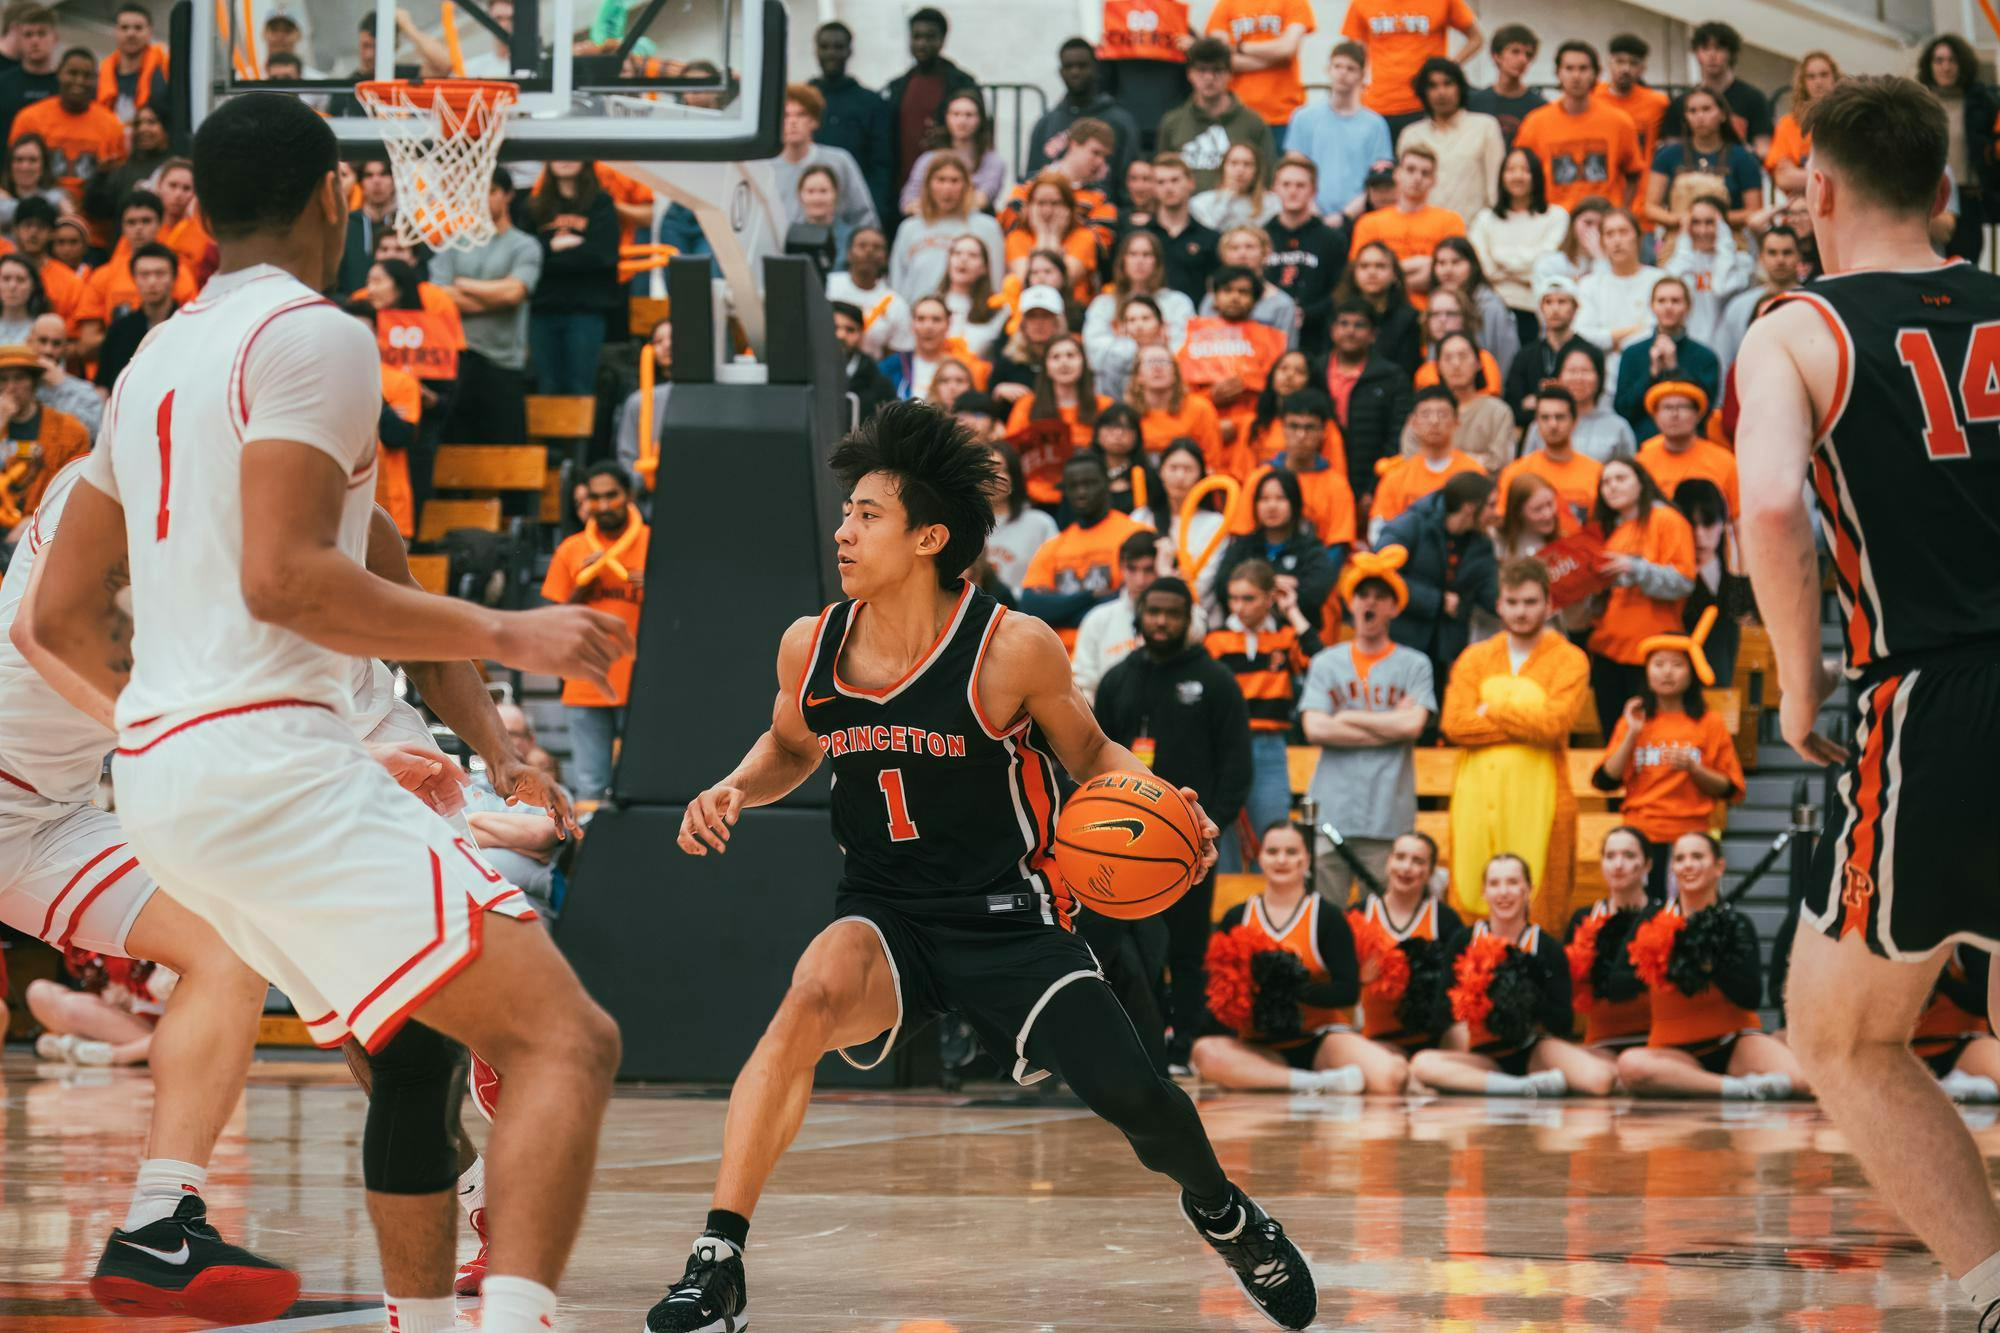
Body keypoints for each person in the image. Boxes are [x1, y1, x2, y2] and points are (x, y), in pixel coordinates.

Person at [30, 91, 633, 1333]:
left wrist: (162, 719)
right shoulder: (318, 335)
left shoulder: (153, 358)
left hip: (160, 780)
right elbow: (286, 578)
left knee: (413, 1055)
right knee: (566, 1040)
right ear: (335, 199)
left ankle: (395, 1303)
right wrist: (508, 630)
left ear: (197, 212)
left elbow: (57, 604)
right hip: (266, 763)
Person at [1729, 76, 2000, 1319]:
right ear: (1945, 194)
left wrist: (1798, 690)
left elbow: (1771, 501)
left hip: (1933, 693)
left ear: (1813, 190)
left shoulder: (1793, 329)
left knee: (1835, 1030)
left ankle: (1993, 1287)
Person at [1093, 575, 1256, 1078]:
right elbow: (1092, 758)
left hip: (1189, 847)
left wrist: (1212, 829)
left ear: (1189, 619)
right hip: (1123, 847)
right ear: (1139, 615)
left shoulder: (1216, 681)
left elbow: (1236, 766)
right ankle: (1133, 1046)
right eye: (1153, 611)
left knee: (1188, 950)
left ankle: (1183, 1045)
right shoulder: (1118, 678)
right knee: (1127, 950)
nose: (1161, 621)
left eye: (1172, 613)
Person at [1440, 558, 1588, 928]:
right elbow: (1455, 724)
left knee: (1542, 898)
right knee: (1473, 894)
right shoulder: (1475, 658)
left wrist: (1492, 709)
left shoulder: (1570, 659)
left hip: (1541, 796)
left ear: (1548, 605)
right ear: (1499, 604)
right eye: (1513, 602)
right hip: (1477, 795)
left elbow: (1553, 725)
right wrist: (1524, 717)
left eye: (1530, 602)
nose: (1521, 612)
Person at [1615, 833, 1807, 1098]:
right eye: (1680, 859)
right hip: (1673, 1051)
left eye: (1698, 857)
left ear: (1719, 867)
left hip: (1732, 1043)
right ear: (1672, 868)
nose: (1688, 865)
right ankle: (1733, 1089)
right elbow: (1617, 982)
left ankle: (1710, 1083)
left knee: (1802, 1082)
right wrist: (1657, 960)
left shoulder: (1736, 922)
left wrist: (1709, 964)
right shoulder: (1652, 919)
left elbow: (1751, 997)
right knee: (1631, 1066)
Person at [1191, 820, 1371, 1091]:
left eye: (1291, 852)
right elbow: (1215, 993)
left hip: (1319, 1039)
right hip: (1257, 1045)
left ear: (1306, 860)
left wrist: (1290, 990)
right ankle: (1311, 1083)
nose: (1282, 860)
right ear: (1260, 858)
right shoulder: (1237, 917)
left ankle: (1275, 1080)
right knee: (1205, 1052)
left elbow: (1348, 992)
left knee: (1389, 1075)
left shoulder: (1328, 916)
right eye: (1273, 852)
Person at [1408, 854, 1604, 1095]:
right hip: (1480, 1054)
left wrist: (1527, 1000)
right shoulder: (1465, 940)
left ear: (1528, 889)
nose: (1503, 892)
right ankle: (1517, 1087)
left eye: (1512, 882)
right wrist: (1478, 1001)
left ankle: (1509, 1082)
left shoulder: (1546, 947)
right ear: (1484, 892)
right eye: (1494, 884)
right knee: (1421, 1064)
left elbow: (1563, 1023)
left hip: (1531, 1050)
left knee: (1599, 1080)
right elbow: (1440, 1014)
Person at [1299, 553, 1434, 897]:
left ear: (1394, 607)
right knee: (1327, 915)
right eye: (1363, 595)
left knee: (1384, 919)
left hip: (1388, 815)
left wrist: (1347, 717)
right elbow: (1315, 729)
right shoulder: (1326, 662)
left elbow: (1413, 727)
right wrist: (1390, 724)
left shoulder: (1415, 664)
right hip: (1331, 809)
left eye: (1380, 596)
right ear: (1351, 603)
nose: (1370, 603)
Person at [1591, 606, 1742, 899]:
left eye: (1677, 664)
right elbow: (1606, 780)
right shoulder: (1633, 719)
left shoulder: (1709, 723)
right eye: (1658, 664)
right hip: (1640, 835)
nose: (1667, 672)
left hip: (1690, 836)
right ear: (1647, 671)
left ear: (1692, 672)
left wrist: (1695, 770)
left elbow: (1730, 788)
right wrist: (1633, 733)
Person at [542, 463, 648, 802]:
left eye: (612, 495)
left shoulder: (653, 542)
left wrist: (658, 588)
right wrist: (579, 590)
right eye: (596, 497)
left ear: (629, 495)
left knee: (640, 786)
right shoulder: (572, 549)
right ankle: (589, 848)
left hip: (640, 682)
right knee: (590, 786)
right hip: (585, 684)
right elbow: (551, 625)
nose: (604, 505)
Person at [1206, 558, 1322, 867]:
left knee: (1272, 834)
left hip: (1269, 744)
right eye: (1233, 598)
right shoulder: (1216, 640)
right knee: (1220, 835)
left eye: (1249, 598)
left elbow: (1322, 665)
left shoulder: (1285, 637)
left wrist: (1293, 611)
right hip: (1225, 747)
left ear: (1269, 598)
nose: (1239, 607)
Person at [427, 169, 541, 446]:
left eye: (490, 192)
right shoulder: (453, 242)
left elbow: (514, 293)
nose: (482, 200)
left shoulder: (525, 245)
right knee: (453, 456)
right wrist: (495, 295)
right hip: (457, 361)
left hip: (503, 362)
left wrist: (464, 284)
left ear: (508, 195)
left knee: (509, 458)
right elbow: (438, 297)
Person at [1582, 455, 1694, 736]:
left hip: (1654, 653)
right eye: (1605, 482)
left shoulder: (1666, 519)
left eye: (1621, 478)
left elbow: (1683, 581)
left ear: (1641, 483)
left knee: (1649, 738)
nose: (1612, 487)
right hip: (1607, 650)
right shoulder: (1603, 529)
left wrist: (1635, 567)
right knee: (1613, 738)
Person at [1020, 451, 1155, 649]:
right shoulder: (1053, 546)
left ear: (1106, 484)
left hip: (1116, 647)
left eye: (1089, 483)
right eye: (1073, 486)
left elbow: (1132, 599)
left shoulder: (1135, 533)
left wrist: (1060, 611)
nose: (1081, 492)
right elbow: (1031, 606)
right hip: (1060, 656)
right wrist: (1091, 596)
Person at [1378, 470, 1498, 683]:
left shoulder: (1481, 544)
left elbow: (1490, 591)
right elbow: (1381, 572)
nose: (1496, 512)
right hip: (1401, 641)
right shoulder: (1412, 525)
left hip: (1444, 652)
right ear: (1469, 507)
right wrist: (1436, 601)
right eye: (1491, 505)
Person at [1563, 825, 1659, 1073]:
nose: (1618, 864)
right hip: (1601, 1041)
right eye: (1610, 856)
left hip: (1658, 1042)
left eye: (1629, 856)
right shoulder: (1583, 918)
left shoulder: (1665, 916)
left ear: (1647, 865)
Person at [1513, 42, 1644, 215]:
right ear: (1558, 73)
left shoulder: (1619, 121)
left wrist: (1621, 211)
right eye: (1569, 68)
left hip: (1604, 219)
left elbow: (1633, 172)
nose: (1576, 76)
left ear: (1595, 74)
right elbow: (1521, 173)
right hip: (1553, 220)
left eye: (1583, 69)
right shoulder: (1535, 122)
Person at [527, 161, 620, 396]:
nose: (564, 159)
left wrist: (548, 253)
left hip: (585, 311)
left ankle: (581, 435)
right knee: (546, 387)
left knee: (581, 388)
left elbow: (604, 256)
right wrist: (555, 245)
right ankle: (549, 435)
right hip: (542, 311)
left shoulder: (601, 203)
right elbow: (526, 255)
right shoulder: (533, 206)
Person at [1338, 0, 1483, 145]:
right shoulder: (1361, 3)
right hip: (1378, 105)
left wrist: (1447, 69)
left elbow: (1476, 38)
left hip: (1426, 105)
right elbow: (1352, 54)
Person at [1210, 468, 1339, 624]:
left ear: (1294, 503)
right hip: (1243, 636)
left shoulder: (1310, 547)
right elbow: (1222, 587)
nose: (1271, 506)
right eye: (1264, 499)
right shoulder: (1244, 545)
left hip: (1295, 636)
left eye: (1280, 498)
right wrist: (1272, 583)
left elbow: (1314, 594)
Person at [10, 46, 126, 220]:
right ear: (59, 73)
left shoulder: (111, 125)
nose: (79, 81)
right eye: (72, 73)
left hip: (92, 228)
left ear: (96, 80)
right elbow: (12, 174)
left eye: (87, 76)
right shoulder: (30, 118)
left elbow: (115, 184)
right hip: (39, 222)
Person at [1472, 148, 1567, 354]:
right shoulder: (1485, 219)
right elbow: (1484, 270)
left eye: (1525, 170)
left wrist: (1500, 260)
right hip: (1492, 308)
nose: (1517, 176)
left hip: (1536, 309)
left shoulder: (1555, 217)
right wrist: (1526, 270)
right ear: (1501, 176)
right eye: (1510, 169)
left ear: (1536, 175)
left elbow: (1544, 265)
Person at [1178, 265, 1287, 446]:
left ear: (1255, 299)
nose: (1235, 297)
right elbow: (1179, 390)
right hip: (1203, 425)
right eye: (1227, 290)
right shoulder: (1191, 337)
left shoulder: (1270, 340)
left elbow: (1278, 389)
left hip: (1253, 429)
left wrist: (1246, 383)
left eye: (1243, 292)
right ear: (1215, 297)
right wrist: (1209, 397)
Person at [1284, 42, 1393, 221]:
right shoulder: (1303, 117)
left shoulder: (1375, 125)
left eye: (1351, 68)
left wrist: (1344, 216)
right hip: (1310, 215)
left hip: (1358, 217)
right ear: (1328, 69)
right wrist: (1313, 211)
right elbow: (1295, 170)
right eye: (1337, 66)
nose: (1343, 73)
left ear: (1362, 75)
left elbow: (1378, 180)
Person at [1915, 34, 1998, 265]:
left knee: (1967, 265)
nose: (1946, 67)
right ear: (1929, 65)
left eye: (1952, 60)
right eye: (1939, 60)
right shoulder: (1920, 104)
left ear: (1962, 64)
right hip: (1931, 197)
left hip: (1969, 196)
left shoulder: (1981, 103)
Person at [1323, 299, 1412, 509]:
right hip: (1325, 478)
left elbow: (1396, 436)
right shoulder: (1316, 371)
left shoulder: (1392, 376)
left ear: (1373, 334)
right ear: (1332, 330)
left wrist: (1375, 487)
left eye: (1359, 325)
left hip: (1371, 480)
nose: (1350, 331)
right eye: (1343, 324)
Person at [1348, 145, 1464, 306]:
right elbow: (1359, 275)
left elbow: (1451, 274)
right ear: (1397, 174)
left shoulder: (1451, 221)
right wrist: (1423, 263)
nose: (1417, 178)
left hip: (1433, 313)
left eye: (1425, 173)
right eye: (1410, 170)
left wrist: (1387, 275)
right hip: (1381, 312)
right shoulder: (1369, 223)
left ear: (1434, 180)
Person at [808, 21, 895, 233]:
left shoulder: (871, 103)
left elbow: (882, 165)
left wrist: (876, 213)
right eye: (825, 47)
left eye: (838, 47)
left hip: (853, 213)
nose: (831, 53)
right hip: (807, 210)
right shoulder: (804, 101)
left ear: (849, 51)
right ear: (816, 50)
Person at [1158, 37, 1276, 193]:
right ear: (1189, 74)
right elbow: (1160, 176)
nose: (1209, 78)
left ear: (1230, 74)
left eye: (1217, 70)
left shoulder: (1253, 123)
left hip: (1239, 213)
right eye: (1201, 70)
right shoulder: (1172, 123)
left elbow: (1267, 179)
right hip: (1185, 214)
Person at [1026, 39, 1140, 199]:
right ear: (1061, 72)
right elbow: (1032, 180)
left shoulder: (1120, 121)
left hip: (1105, 215)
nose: (1075, 72)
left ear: (1095, 68)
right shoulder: (1045, 124)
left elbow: (1130, 182)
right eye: (1069, 66)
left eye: (1082, 66)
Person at [1643, 88, 1764, 237]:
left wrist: (1710, 220)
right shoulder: (1667, 155)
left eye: (1707, 109)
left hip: (1730, 241)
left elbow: (1754, 210)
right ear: (1685, 117)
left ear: (1723, 114)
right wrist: (1678, 219)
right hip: (1679, 241)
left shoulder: (1743, 158)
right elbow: (1650, 207)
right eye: (1692, 111)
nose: (1700, 116)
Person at [1074, 529, 1178, 702]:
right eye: (1132, 569)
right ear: (1121, 568)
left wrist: (1167, 577)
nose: (1140, 580)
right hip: (1110, 721)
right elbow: (1083, 686)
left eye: (1149, 570)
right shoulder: (1097, 619)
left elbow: (1197, 631)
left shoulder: (1176, 618)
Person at [1398, 57, 1504, 225]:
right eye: (1433, 86)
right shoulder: (1411, 135)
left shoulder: (1485, 127)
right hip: (1423, 232)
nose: (1441, 92)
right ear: (1423, 92)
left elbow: (1495, 190)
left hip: (1472, 234)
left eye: (1448, 84)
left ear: (1459, 88)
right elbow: (1403, 192)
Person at [882, 7, 981, 188]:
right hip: (904, 186)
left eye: (929, 37)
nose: (922, 44)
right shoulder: (897, 87)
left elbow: (980, 132)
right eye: (916, 37)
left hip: (949, 184)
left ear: (942, 40)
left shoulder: (962, 83)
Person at [1611, 276, 1720, 438]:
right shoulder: (1632, 353)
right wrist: (1651, 375)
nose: (1668, 307)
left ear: (1688, 307)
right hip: (1644, 446)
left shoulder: (1705, 356)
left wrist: (1674, 368)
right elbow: (1623, 409)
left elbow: (1706, 407)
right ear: (1652, 306)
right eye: (1661, 301)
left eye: (1675, 301)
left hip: (1692, 445)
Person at [1260, 155, 1345, 355]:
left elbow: (1341, 290)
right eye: (1286, 184)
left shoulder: (1332, 239)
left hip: (1316, 336)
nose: (1293, 191)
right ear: (1274, 188)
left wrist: (1307, 314)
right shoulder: (1261, 236)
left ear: (1313, 191)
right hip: (1265, 332)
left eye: (1300, 185)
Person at [1202, 0, 1314, 149]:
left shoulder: (1294, 2)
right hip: (1236, 116)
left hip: (1283, 116)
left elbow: (1287, 48)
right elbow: (1220, 56)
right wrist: (1275, 59)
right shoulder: (1226, 4)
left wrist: (1239, 47)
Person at [1369, 385, 1482, 529]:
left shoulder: (1472, 473)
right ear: (1413, 422)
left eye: (1442, 414)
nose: (1434, 421)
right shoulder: (1396, 476)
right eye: (1426, 414)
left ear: (1456, 422)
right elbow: (1379, 528)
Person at [0, 338, 83, 529]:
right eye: (3, 380)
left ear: (34, 383)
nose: (11, 388)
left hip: (42, 529)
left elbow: (71, 493)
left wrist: (34, 522)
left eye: (19, 378)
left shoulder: (69, 430)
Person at [773, 85, 878, 234]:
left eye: (801, 114)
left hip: (832, 251)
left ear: (814, 121)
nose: (792, 122)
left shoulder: (840, 161)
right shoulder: (763, 167)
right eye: (785, 116)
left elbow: (864, 217)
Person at [1575, 208, 1663, 386]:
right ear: (1603, 242)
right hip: (1604, 379)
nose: (1617, 241)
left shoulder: (1659, 280)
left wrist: (1610, 340)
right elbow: (1583, 335)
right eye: (1609, 234)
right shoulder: (1590, 285)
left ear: (1638, 238)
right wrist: (1635, 329)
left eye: (1623, 232)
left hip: (1649, 372)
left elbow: (1656, 331)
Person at [1659, 22, 1773, 158]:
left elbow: (1763, 149)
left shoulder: (1754, 98)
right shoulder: (1681, 102)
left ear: (1731, 53)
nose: (1712, 55)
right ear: (1696, 53)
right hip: (1693, 174)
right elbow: (1672, 152)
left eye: (1719, 48)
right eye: (1705, 48)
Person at [1087, 229, 1196, 366]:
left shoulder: (1178, 302)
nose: (1139, 261)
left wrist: (1125, 343)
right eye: (1133, 254)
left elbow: (1184, 349)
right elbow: (1095, 351)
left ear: (1157, 261)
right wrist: (1147, 346)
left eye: (1147, 254)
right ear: (1123, 260)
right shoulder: (1103, 304)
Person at [1415, 331, 1516, 473]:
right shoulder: (1424, 410)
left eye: (1463, 356)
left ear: (1478, 363)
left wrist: (1444, 460)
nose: (1456, 364)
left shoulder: (1498, 411)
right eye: (1448, 358)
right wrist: (1475, 459)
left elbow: (1500, 461)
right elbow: (1412, 457)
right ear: (1438, 367)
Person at [1662, 197, 1751, 350]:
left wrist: (1724, 243)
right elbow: (1680, 291)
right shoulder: (1680, 261)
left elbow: (1721, 288)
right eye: (1695, 222)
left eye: (1710, 223)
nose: (1702, 230)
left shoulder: (1742, 262)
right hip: (1688, 348)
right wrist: (1684, 241)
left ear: (1723, 226)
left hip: (1728, 348)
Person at [1636, 382, 1737, 518]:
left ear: (1698, 415)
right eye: (1667, 408)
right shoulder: (1641, 463)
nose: (1675, 414)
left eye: (1682, 407)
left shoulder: (1724, 461)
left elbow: (1737, 517)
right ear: (1655, 416)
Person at [1499, 384, 1600, 520]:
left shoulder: (1596, 472)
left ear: (1574, 422)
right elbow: (1504, 522)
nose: (1553, 425)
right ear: (1537, 423)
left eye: (1560, 417)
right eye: (1545, 418)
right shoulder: (1517, 473)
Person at [905, 90, 1010, 218]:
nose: (962, 121)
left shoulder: (993, 161)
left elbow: (982, 200)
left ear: (980, 119)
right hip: (931, 227)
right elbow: (908, 201)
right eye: (956, 114)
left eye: (969, 115)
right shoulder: (928, 159)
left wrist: (933, 204)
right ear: (947, 117)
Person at [1712, 225, 1804, 370]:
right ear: (1761, 257)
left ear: (1799, 256)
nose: (1780, 260)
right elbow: (1725, 360)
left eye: (1787, 253)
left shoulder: (1812, 303)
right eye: (1772, 253)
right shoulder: (1739, 307)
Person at [1501, 276, 1586, 422]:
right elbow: (1513, 407)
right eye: (1548, 302)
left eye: (1562, 302)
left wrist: (1537, 401)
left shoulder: (1588, 353)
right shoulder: (1525, 356)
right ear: (1540, 308)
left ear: (1575, 307)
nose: (1555, 309)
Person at [92, 240, 174, 389]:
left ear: (173, 277)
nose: (152, 281)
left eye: (160, 273)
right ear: (134, 279)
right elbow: (102, 385)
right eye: (144, 274)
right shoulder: (119, 329)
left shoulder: (188, 324)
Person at [1005, 173, 1101, 300]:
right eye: (1041, 203)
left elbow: (1062, 282)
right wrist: (1042, 235)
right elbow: (1028, 283)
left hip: (1073, 312)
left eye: (1055, 203)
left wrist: (1053, 236)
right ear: (1029, 207)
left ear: (1069, 207)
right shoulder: (1017, 238)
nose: (1047, 211)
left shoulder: (1084, 237)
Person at [983, 439, 1059, 594]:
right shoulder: (962, 526)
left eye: (1000, 470)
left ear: (1014, 476)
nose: (993, 477)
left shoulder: (1040, 524)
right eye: (985, 470)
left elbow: (1055, 577)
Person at [1144, 152, 1222, 302]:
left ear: (1191, 183)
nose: (1168, 187)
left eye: (1175, 180)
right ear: (1153, 188)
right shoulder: (1141, 236)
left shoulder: (1211, 239)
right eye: (1161, 182)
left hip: (1195, 320)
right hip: (1145, 319)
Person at [827, 227, 913, 361]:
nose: (869, 251)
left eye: (877, 247)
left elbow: (895, 358)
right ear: (849, 253)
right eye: (862, 245)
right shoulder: (828, 285)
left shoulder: (896, 304)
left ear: (886, 257)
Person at [1594, 33, 1669, 165]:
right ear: (1608, 62)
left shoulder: (1658, 103)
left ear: (1643, 67)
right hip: (1604, 181)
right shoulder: (1592, 97)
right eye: (1620, 61)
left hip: (1643, 182)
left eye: (1633, 63)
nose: (1626, 69)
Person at [1469, 23, 1544, 145]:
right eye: (1515, 51)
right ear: (1497, 56)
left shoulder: (1539, 107)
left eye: (1528, 55)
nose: (1523, 59)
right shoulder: (1475, 102)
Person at [97, 3, 166, 126]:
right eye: (124, 28)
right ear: (115, 31)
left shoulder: (164, 74)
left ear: (150, 32)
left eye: (138, 28)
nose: (131, 33)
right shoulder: (99, 76)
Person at [0, 3, 56, 144]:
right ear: (20, 39)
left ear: (55, 38)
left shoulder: (63, 84)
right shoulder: (4, 84)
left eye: (41, 34)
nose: (35, 41)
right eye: (28, 35)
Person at [1190, 141, 1276, 231]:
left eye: (1247, 164)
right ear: (1223, 167)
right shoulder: (1201, 203)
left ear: (1256, 171)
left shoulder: (1271, 203)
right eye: (1233, 163)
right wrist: (1227, 198)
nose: (1240, 170)